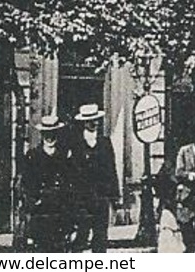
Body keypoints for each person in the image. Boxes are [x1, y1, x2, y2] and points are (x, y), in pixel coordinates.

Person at [68, 104, 119, 252]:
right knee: (81, 235)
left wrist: (114, 196)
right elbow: (71, 172)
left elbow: (111, 169)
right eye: (91, 120)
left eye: (97, 120)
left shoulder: (105, 142)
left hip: (101, 198)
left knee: (101, 236)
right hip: (82, 198)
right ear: (84, 122)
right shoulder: (76, 144)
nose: (95, 123)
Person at [18, 115, 72, 252]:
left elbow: (71, 180)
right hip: (41, 209)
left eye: (53, 134)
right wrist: (33, 202)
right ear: (42, 135)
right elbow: (26, 183)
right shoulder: (33, 155)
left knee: (60, 246)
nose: (50, 137)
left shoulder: (64, 155)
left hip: (61, 209)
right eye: (47, 134)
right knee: (42, 247)